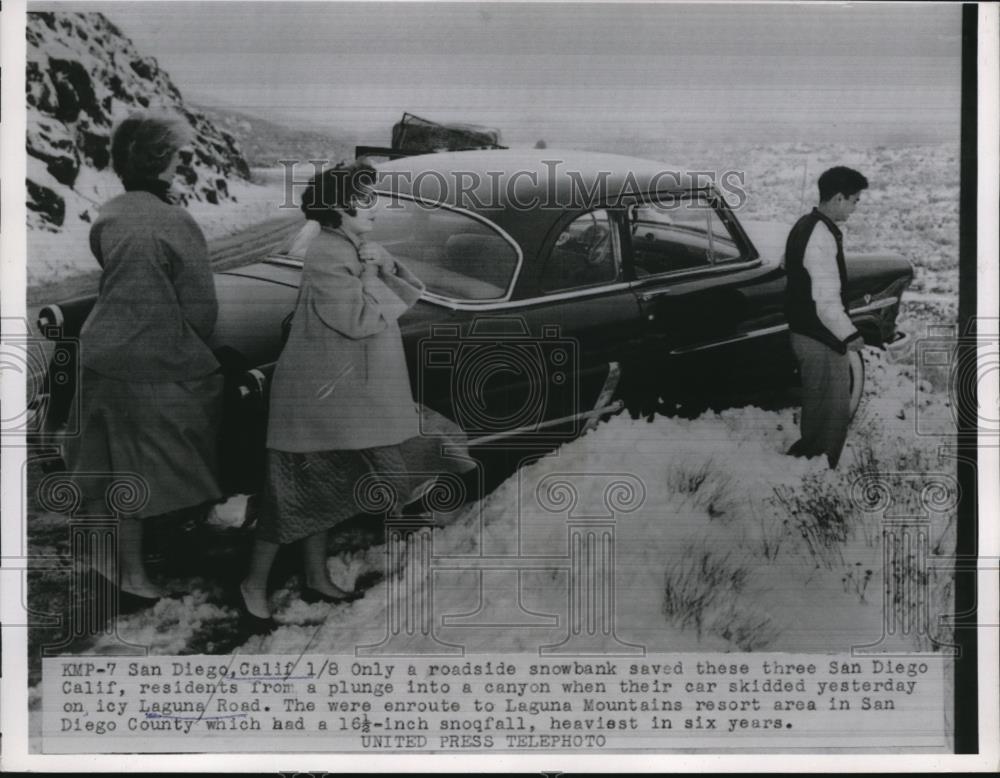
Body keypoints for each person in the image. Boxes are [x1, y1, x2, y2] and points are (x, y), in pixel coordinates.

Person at [239, 160, 469, 634]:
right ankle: (252, 585)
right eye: (366, 200)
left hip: (342, 400)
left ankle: (316, 575)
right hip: (317, 403)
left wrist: (382, 263)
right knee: (289, 500)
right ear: (340, 208)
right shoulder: (328, 253)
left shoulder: (349, 245)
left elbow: (389, 297)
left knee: (324, 490)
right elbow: (358, 320)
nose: (376, 208)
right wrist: (370, 269)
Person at [66, 112, 224, 611]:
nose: (183, 163)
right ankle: (135, 574)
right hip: (154, 363)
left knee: (109, 465)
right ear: (161, 161)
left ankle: (103, 557)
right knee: (155, 464)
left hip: (100, 353)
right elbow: (201, 309)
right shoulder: (176, 221)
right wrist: (189, 349)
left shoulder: (109, 213)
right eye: (179, 155)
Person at [784, 166, 868, 469]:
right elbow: (826, 300)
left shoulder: (805, 225)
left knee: (818, 408)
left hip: (806, 331)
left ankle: (806, 463)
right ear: (837, 198)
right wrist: (850, 335)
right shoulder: (821, 236)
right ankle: (818, 471)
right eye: (855, 200)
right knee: (832, 413)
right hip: (819, 336)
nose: (856, 207)